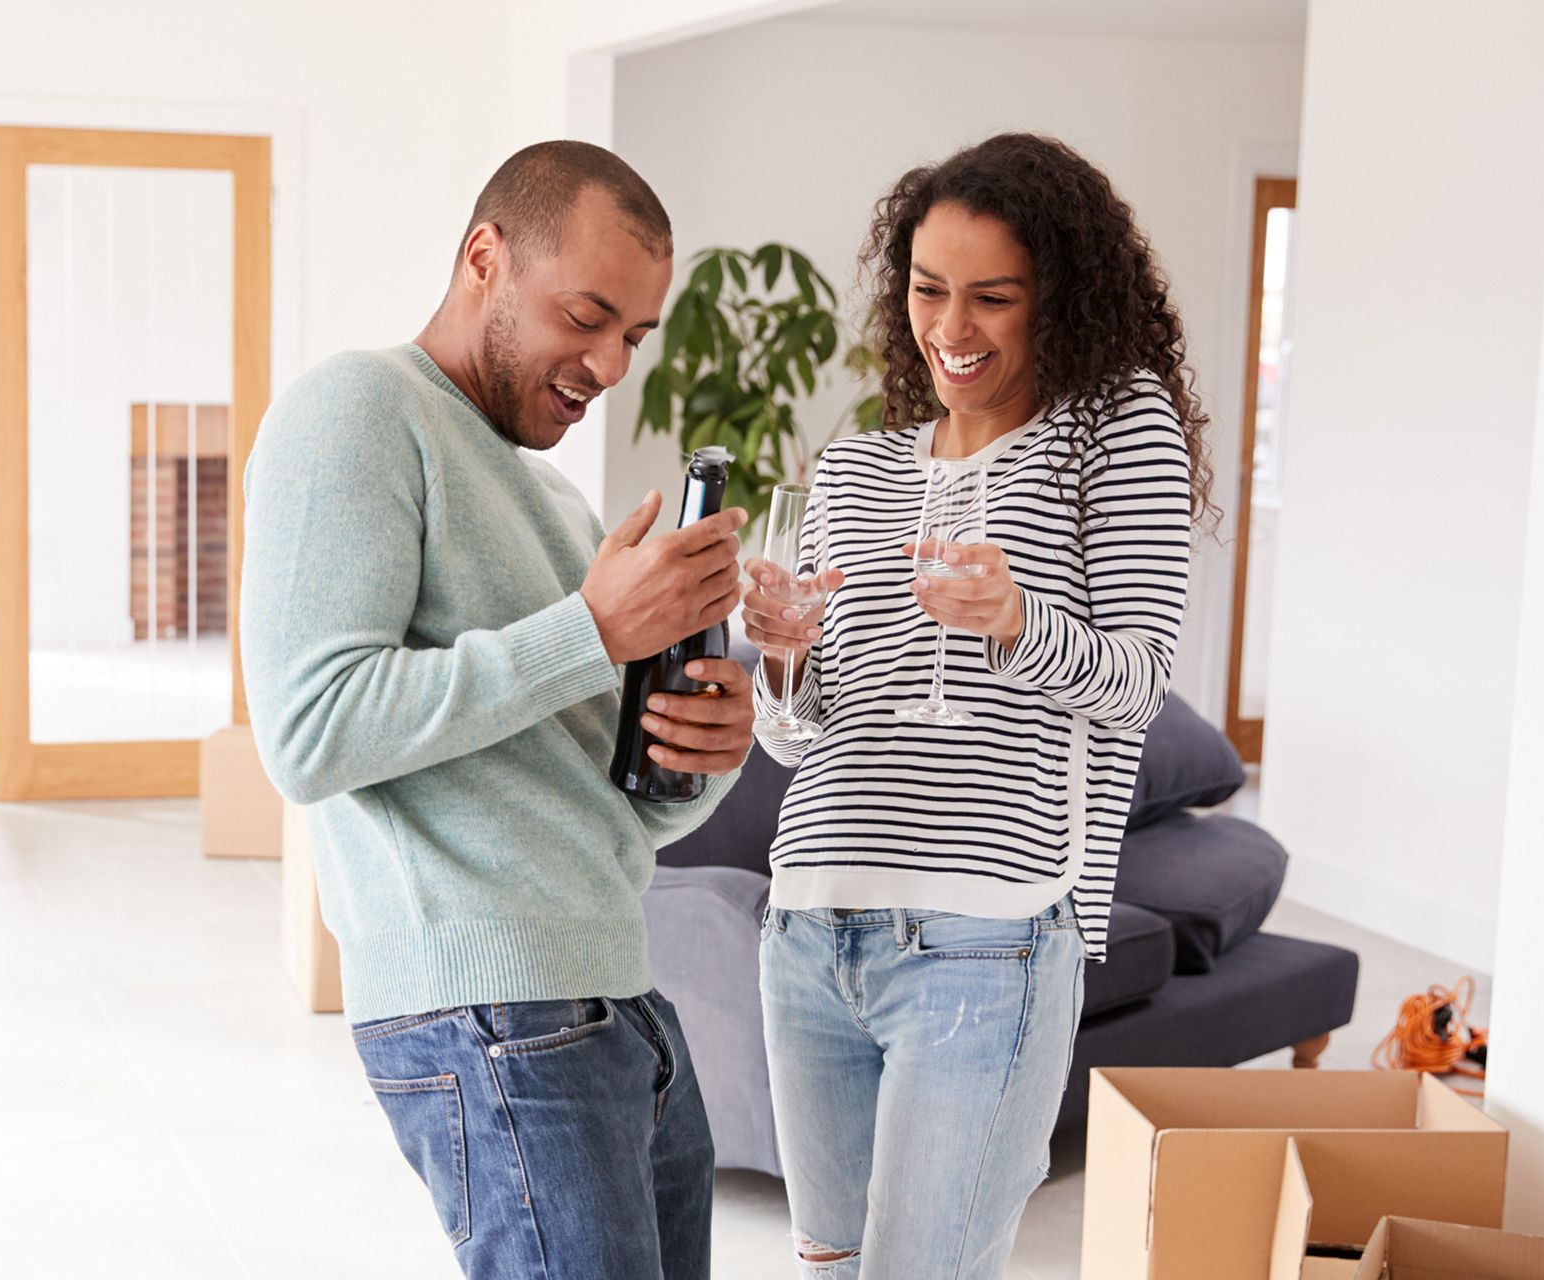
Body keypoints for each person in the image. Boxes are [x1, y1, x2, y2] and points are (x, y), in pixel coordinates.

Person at [240, 140, 754, 1280]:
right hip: (495, 1010)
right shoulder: (356, 411)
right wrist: (591, 630)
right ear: (485, 257)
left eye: (636, 334)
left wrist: (702, 751)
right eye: (587, 314)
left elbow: (602, 799)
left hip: (620, 995)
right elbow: (310, 729)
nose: (611, 362)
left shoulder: (555, 496)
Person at [741, 132, 1216, 1279]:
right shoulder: (854, 468)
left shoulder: (1118, 428)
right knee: (832, 1266)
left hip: (986, 935)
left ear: (1060, 297)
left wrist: (1014, 622)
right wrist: (786, 659)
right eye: (928, 289)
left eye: (993, 297)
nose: (952, 328)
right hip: (807, 921)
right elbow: (797, 740)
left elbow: (1138, 679)